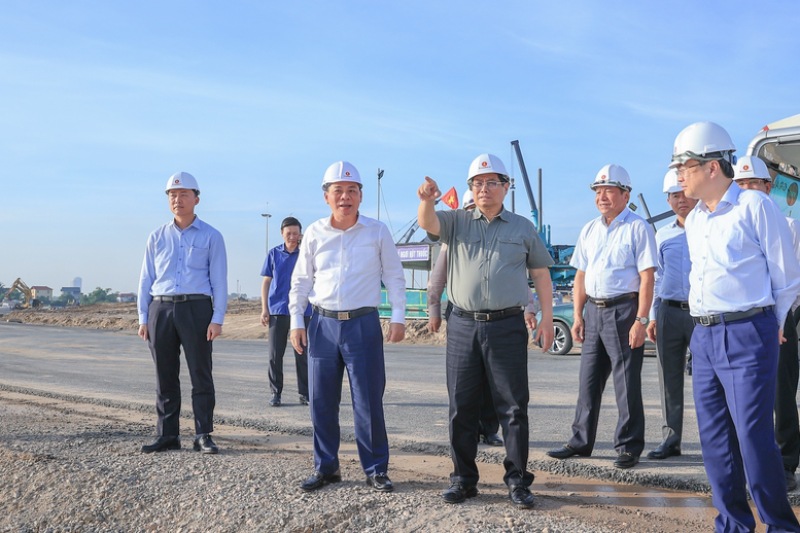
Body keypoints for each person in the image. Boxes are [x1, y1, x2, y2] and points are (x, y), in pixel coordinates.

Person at [673, 121, 800, 532]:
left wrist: (774, 324)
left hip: (749, 331)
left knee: (752, 435)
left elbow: (786, 275)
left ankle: (780, 525)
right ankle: (732, 523)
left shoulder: (755, 206)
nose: (679, 175)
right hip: (705, 334)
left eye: (686, 166)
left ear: (713, 167)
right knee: (715, 439)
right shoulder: (696, 221)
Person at [417, 153, 555, 509]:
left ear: (506, 187)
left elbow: (541, 275)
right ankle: (463, 479)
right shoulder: (457, 221)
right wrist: (426, 200)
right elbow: (428, 223)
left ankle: (518, 481)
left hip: (507, 326)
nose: (484, 189)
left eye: (491, 182)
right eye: (477, 183)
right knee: (461, 406)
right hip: (463, 324)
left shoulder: (523, 228)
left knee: (513, 407)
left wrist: (545, 318)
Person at [289, 161, 406, 494]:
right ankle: (326, 467)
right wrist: (297, 320)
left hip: (363, 325)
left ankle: (375, 469)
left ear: (361, 195)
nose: (345, 197)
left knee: (368, 400)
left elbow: (394, 275)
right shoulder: (314, 232)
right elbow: (301, 280)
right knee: (321, 400)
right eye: (338, 191)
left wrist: (398, 315)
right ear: (326, 196)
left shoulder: (377, 231)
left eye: (352, 190)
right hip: (322, 324)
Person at [547, 164, 656, 470]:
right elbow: (581, 274)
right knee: (588, 381)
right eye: (598, 191)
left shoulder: (638, 228)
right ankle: (580, 441)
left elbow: (647, 277)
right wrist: (578, 314)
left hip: (625, 310)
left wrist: (641, 320)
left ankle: (628, 446)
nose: (602, 196)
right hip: (593, 310)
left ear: (625, 194)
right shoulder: (589, 229)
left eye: (609, 190)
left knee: (626, 382)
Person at [137, 171, 228, 455]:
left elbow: (220, 280)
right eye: (172, 195)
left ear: (196, 199)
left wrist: (217, 318)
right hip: (160, 308)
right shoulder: (156, 236)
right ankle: (167, 434)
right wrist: (143, 317)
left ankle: (203, 434)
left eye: (183, 194)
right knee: (165, 375)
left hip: (197, 308)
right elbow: (145, 279)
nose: (177, 199)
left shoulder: (212, 236)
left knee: (201, 373)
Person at [733, 155, 800, 491]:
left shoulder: (789, 223)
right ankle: (753, 463)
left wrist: (783, 319)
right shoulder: (730, 221)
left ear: (768, 188)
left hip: (782, 312)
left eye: (752, 184)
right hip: (748, 316)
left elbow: (790, 277)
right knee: (750, 393)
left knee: (781, 391)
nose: (746, 191)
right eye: (740, 184)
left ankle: (786, 464)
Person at [427, 190, 501, 447]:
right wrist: (434, 311)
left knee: (492, 378)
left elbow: (515, 275)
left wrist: (528, 308)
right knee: (465, 380)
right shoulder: (452, 242)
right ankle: (467, 429)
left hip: (496, 318)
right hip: (462, 316)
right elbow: (436, 281)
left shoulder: (498, 240)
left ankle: (489, 429)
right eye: (469, 209)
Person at [644, 169, 697, 460]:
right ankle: (671, 439)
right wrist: (653, 316)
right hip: (669, 311)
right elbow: (657, 277)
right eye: (675, 195)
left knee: (708, 380)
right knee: (669, 378)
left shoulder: (709, 226)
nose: (682, 200)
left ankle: (716, 440)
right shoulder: (662, 235)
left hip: (703, 314)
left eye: (685, 193)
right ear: (668, 200)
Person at [260, 216, 311, 407]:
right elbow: (266, 282)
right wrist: (264, 309)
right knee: (275, 354)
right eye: (288, 233)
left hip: (302, 311)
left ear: (300, 234)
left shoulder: (306, 254)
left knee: (302, 354)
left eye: (296, 233)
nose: (292, 237)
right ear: (282, 233)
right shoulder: (273, 254)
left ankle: (304, 393)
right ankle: (275, 393)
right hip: (278, 311)